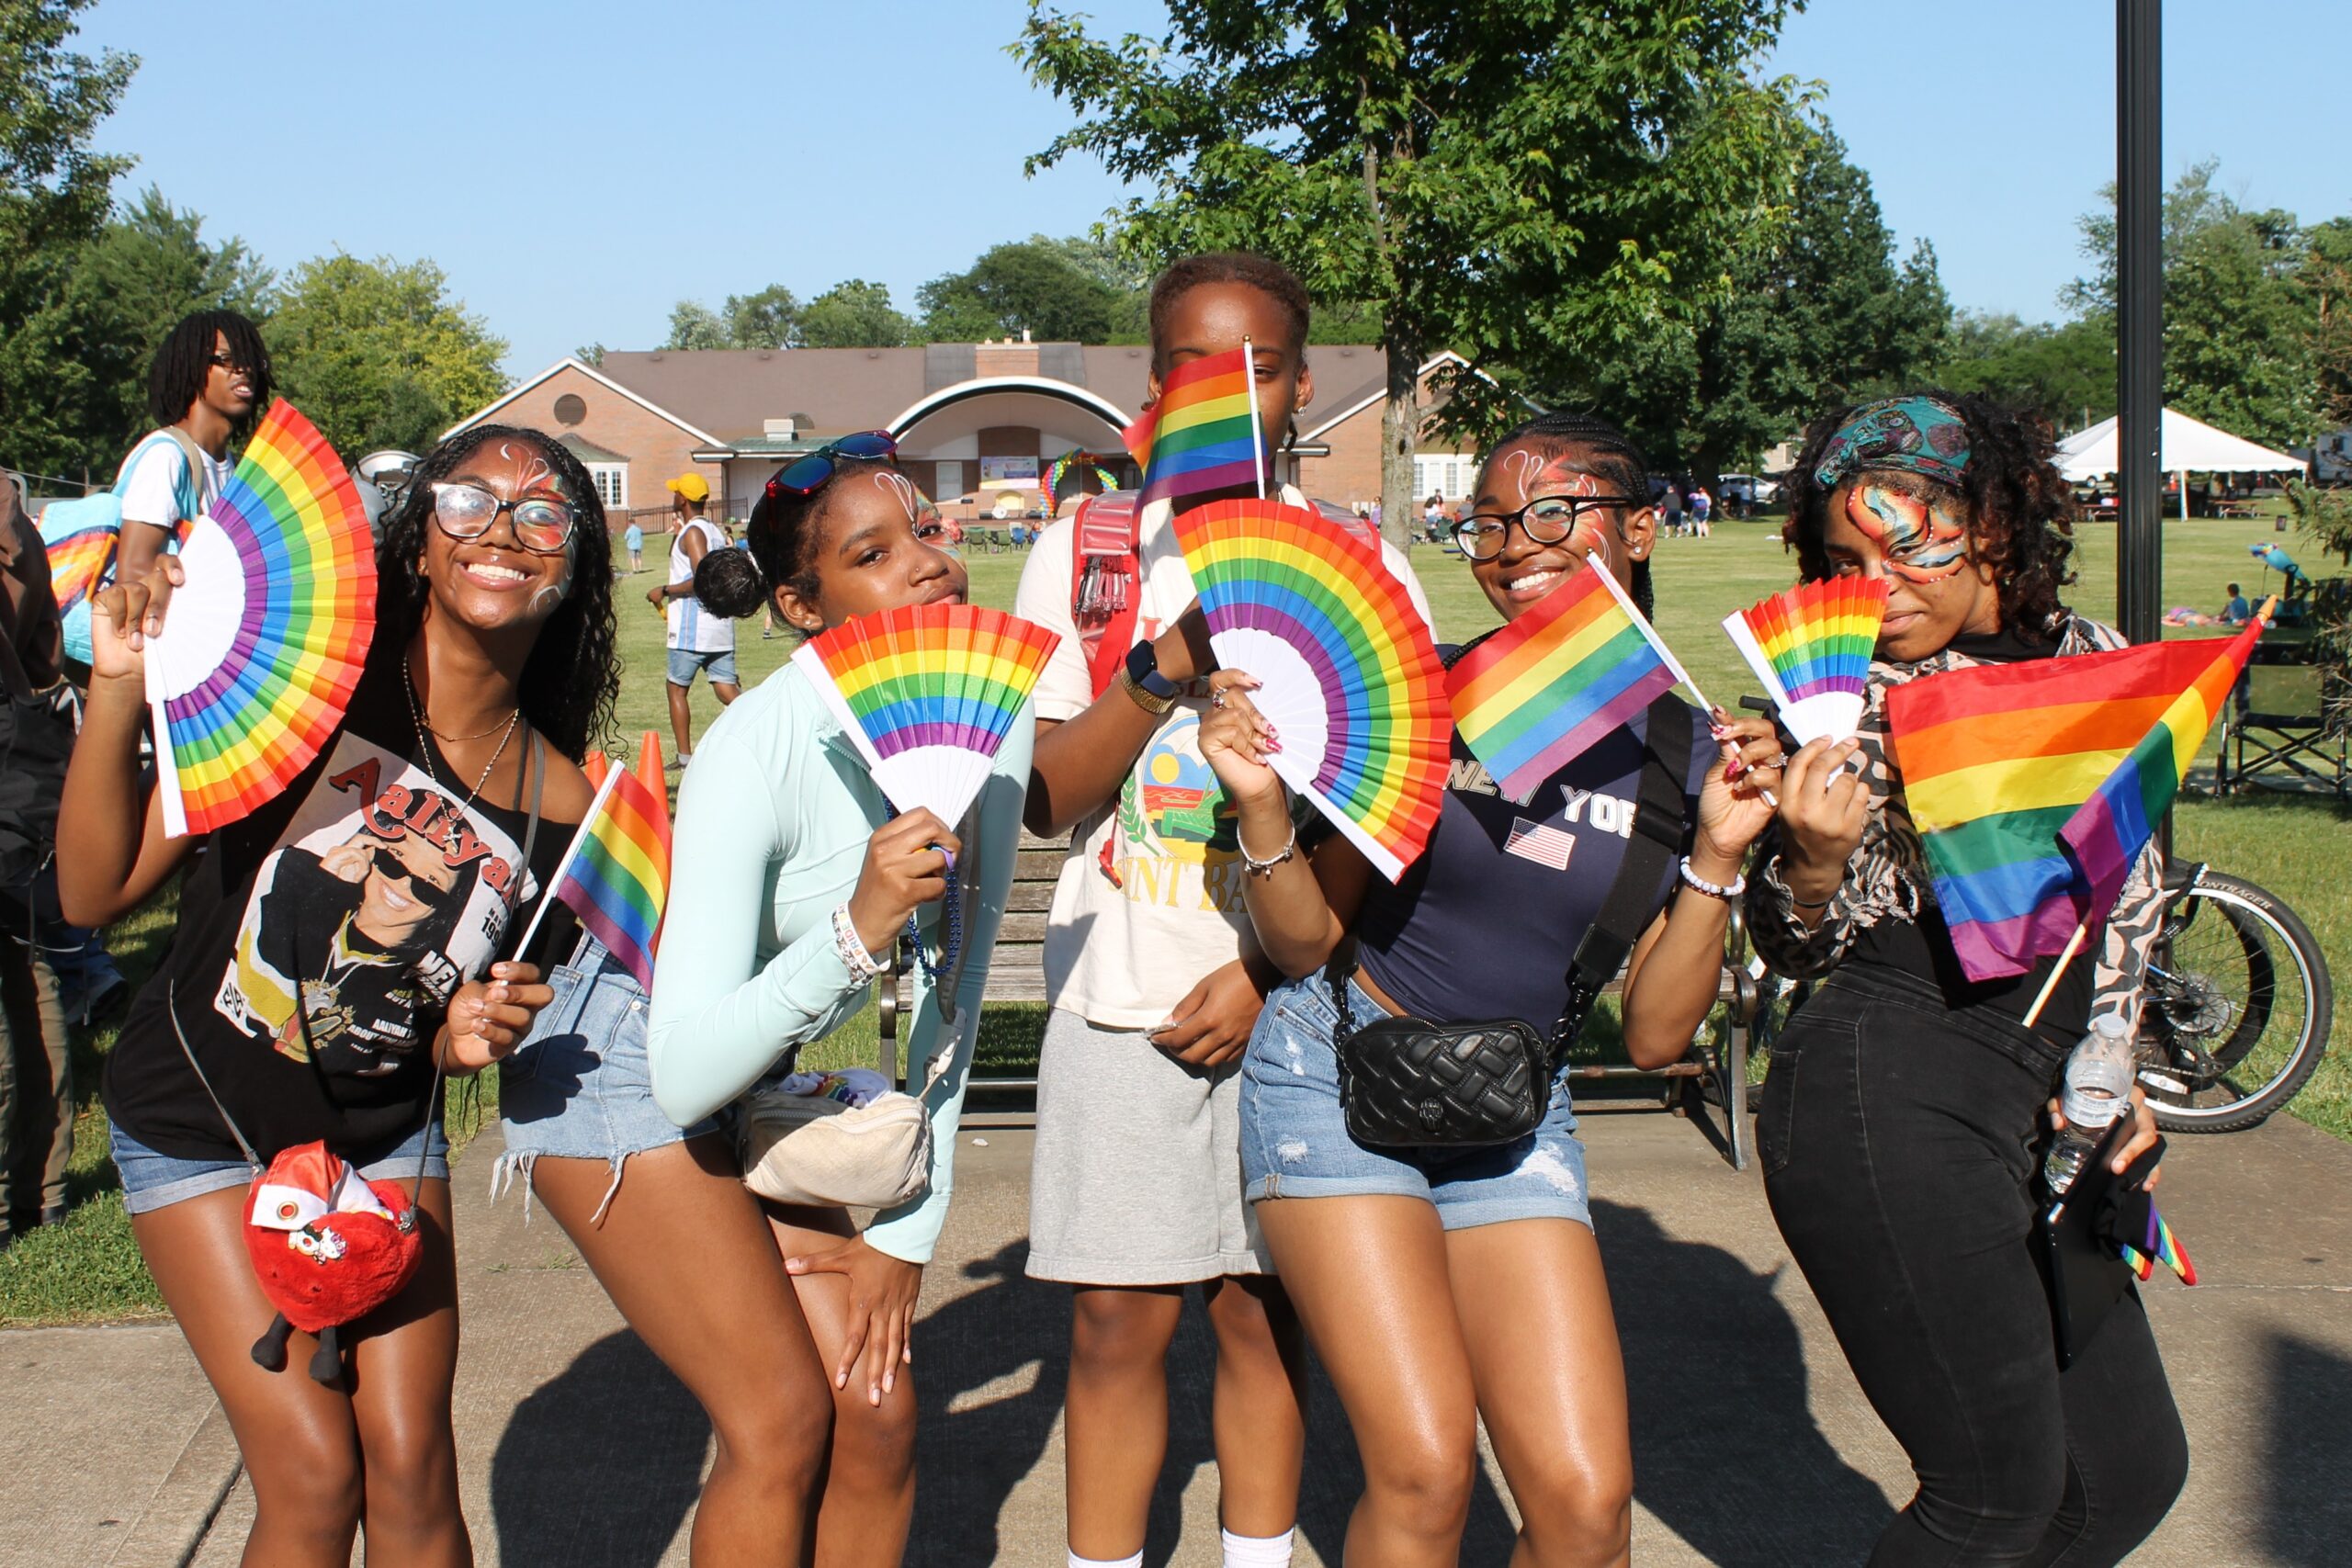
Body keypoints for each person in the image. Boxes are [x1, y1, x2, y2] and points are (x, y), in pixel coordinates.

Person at [1195, 410, 1781, 1566]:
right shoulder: (1435, 695)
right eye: (1490, 525)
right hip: (1336, 1078)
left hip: (1516, 1111)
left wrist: (1715, 856)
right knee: (1422, 1474)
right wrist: (1264, 807)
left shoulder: (1697, 754)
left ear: (1646, 529)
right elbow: (1309, 945)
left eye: (1555, 513)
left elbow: (1660, 1036)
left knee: (1583, 1509)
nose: (1514, 547)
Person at [61, 423, 616, 1564]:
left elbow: (475, 1017)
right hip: (199, 1123)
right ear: (420, 543)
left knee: (412, 1468)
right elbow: (91, 892)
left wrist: (470, 1043)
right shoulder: (303, 703)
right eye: (467, 501)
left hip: (379, 1140)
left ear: (572, 571)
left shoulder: (570, 804)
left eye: (543, 512)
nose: (502, 529)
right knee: (316, 1479)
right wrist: (121, 692)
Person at [1015, 251, 1436, 1568]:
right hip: (1120, 993)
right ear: (1153, 384)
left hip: (1292, 1003)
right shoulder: (1086, 556)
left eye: (1255, 364)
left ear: (1301, 386)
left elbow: (1389, 816)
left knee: (1264, 1315)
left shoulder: (1364, 562)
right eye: (1194, 364)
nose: (1227, 390)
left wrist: (1266, 976)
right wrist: (1166, 663)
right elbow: (1047, 796)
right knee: (1115, 1323)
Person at [562, 434, 1023, 1564]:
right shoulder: (751, 751)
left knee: (874, 1412)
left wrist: (908, 1234)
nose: (927, 562)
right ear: (801, 606)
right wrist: (855, 925)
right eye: (872, 552)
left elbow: (954, 999)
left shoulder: (984, 727)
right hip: (626, 1075)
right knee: (786, 1422)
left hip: (754, 1064)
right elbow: (679, 1072)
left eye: (924, 528)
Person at [1747, 393, 2187, 1566]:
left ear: (1994, 523)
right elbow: (1790, 955)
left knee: (2126, 1476)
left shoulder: (2100, 663)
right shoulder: (1831, 711)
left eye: (1908, 540)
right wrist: (1810, 859)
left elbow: (2128, 899)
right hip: (1887, 1087)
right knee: (1991, 1494)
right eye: (1845, 559)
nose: (1878, 580)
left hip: (2050, 1105)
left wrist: (2115, 1064)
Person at [0, 470, 73, 1243]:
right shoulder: (11, 507)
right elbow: (46, 648)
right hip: (17, 757)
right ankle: (41, 1187)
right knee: (28, 966)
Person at [110, 310, 274, 605]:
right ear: (192, 367)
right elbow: (132, 575)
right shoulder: (166, 457)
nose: (243, 369)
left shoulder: (236, 470)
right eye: (226, 359)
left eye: (251, 360)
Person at [649, 471, 739, 769]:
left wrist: (664, 590)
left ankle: (685, 757)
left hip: (694, 628)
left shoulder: (693, 532)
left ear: (683, 500)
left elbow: (702, 579)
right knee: (727, 689)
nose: (673, 496)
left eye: (676, 493)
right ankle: (764, 724)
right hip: (719, 625)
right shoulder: (714, 531)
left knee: (676, 689)